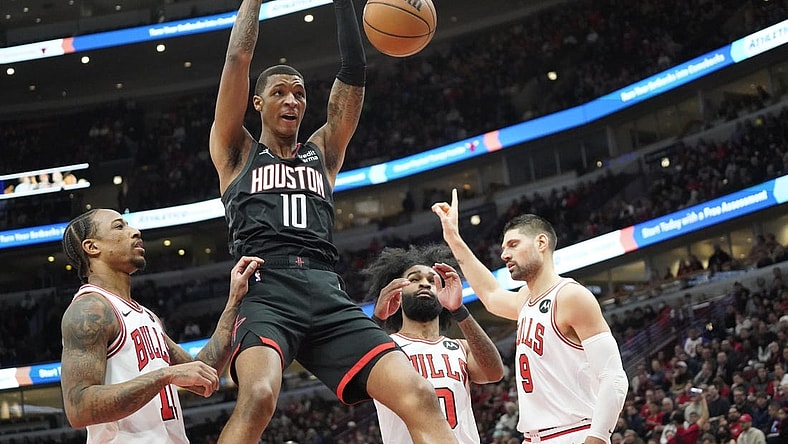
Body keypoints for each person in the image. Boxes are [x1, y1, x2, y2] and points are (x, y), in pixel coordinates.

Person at [209, 0, 458, 443]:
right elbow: (237, 58)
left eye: (301, 92)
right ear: (258, 102)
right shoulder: (236, 151)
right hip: (266, 290)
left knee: (420, 394)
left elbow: (353, 67)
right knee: (259, 397)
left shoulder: (323, 151)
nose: (292, 99)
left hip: (326, 290)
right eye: (281, 91)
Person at [432, 189, 628, 444]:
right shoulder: (525, 299)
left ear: (541, 243)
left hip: (573, 432)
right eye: (503, 248)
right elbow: (491, 295)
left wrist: (598, 438)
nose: (504, 255)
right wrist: (454, 238)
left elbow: (614, 377)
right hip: (533, 437)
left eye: (513, 245)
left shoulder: (570, 296)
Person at [59, 208, 264, 443]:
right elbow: (79, 408)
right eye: (119, 227)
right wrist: (165, 375)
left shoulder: (145, 315)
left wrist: (234, 301)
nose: (135, 231)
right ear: (92, 247)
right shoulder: (89, 309)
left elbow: (203, 373)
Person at [363, 245, 505, 443]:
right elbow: (354, 368)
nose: (425, 284)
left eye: (432, 280)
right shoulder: (384, 347)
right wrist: (377, 319)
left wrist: (459, 310)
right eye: (414, 279)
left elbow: (495, 372)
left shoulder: (460, 348)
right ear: (398, 294)